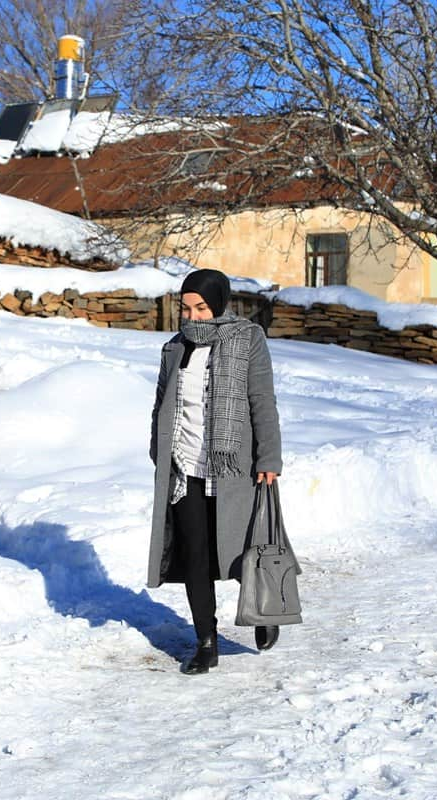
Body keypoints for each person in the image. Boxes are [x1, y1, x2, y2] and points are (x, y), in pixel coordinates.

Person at [147, 268, 283, 674]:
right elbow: (160, 406)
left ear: (219, 304)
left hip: (234, 467)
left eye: (202, 308)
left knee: (243, 550)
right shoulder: (174, 348)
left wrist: (269, 459)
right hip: (186, 466)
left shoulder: (247, 339)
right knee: (195, 557)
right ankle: (206, 641)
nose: (193, 317)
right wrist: (160, 455)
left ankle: (263, 611)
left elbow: (262, 401)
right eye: (186, 309)